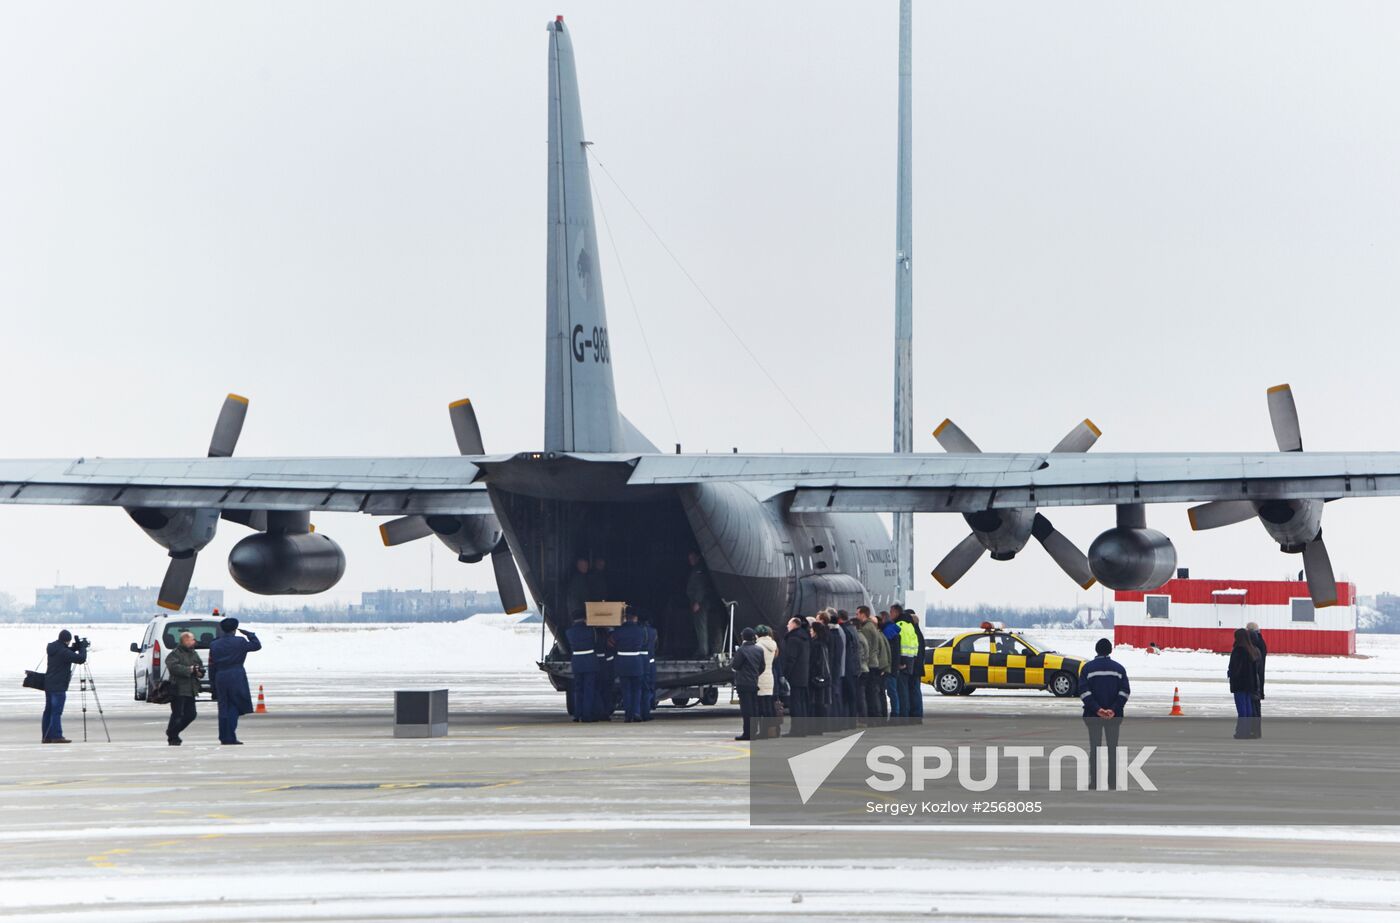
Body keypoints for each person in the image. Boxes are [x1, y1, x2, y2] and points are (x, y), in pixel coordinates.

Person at [1080, 637, 1130, 790]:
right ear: (1110, 651)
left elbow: (1083, 691)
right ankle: (1112, 783)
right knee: (1112, 750)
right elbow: (1125, 692)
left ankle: (1094, 782)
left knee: (1094, 749)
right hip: (1114, 717)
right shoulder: (1119, 669)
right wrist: (1113, 709)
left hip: (1093, 716)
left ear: (1096, 650)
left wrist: (1097, 709)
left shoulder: (1087, 669)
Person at [208, 617, 262, 745]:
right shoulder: (240, 641)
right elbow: (256, 646)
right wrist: (250, 634)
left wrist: (212, 683)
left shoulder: (214, 644)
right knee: (234, 706)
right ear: (234, 629)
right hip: (236, 675)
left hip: (220, 676)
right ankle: (230, 737)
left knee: (223, 707)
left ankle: (223, 736)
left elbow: (211, 665)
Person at [42, 630, 88, 744]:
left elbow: (65, 652)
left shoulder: (54, 648)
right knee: (56, 712)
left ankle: (46, 737)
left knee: (48, 711)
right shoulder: (63, 651)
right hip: (58, 686)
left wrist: (74, 648)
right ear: (67, 640)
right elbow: (81, 659)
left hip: (49, 684)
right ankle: (57, 736)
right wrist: (82, 648)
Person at [165, 631, 205, 745]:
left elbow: (200, 666)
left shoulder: (194, 653)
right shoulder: (175, 653)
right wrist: (189, 670)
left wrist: (199, 672)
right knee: (177, 714)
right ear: (186, 640)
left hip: (191, 688)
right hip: (178, 688)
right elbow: (172, 666)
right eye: (192, 639)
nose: (194, 641)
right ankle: (173, 737)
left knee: (191, 714)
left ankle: (172, 732)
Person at [610, 608, 649, 722]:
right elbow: (645, 643)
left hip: (622, 662)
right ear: (635, 618)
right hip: (636, 662)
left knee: (626, 690)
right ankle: (636, 712)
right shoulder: (641, 630)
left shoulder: (618, 630)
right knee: (637, 690)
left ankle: (628, 715)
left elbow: (612, 643)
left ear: (625, 617)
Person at [731, 628, 765, 741]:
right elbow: (762, 667)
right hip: (753, 682)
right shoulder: (759, 650)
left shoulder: (741, 650)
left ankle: (747, 733)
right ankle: (754, 731)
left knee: (746, 710)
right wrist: (755, 674)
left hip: (743, 682)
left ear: (743, 637)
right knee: (754, 708)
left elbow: (735, 665)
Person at [1228, 627, 1262, 739]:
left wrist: (1231, 675)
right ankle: (1247, 731)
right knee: (1248, 708)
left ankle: (1242, 732)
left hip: (1240, 684)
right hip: (1250, 684)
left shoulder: (1239, 650)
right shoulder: (1251, 650)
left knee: (1242, 709)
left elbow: (1236, 668)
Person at [685, 550, 720, 657]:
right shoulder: (703, 568)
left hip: (702, 603)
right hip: (708, 602)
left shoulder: (699, 570)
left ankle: (703, 650)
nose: (690, 561)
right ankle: (716, 650)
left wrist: (697, 601)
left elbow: (701, 586)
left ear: (698, 557)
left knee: (701, 626)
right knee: (712, 626)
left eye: (692, 558)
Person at [565, 616, 600, 722]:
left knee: (578, 689)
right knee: (588, 690)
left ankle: (577, 714)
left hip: (577, 662)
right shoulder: (592, 630)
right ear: (585, 619)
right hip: (589, 661)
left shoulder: (569, 632)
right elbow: (596, 643)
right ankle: (586, 715)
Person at [781, 617, 812, 735]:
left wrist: (785, 674)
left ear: (794, 624)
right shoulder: (805, 638)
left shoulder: (793, 639)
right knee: (802, 703)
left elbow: (791, 659)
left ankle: (796, 730)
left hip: (795, 676)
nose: (787, 626)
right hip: (803, 675)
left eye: (789, 624)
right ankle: (802, 728)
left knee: (795, 704)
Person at [857, 607, 888, 719]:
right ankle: (878, 715)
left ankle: (874, 715)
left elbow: (866, 648)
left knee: (870, 693)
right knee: (875, 692)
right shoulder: (874, 628)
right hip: (875, 663)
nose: (857, 616)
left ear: (863, 614)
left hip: (870, 664)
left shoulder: (866, 629)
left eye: (858, 614)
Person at [838, 611, 864, 727]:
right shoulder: (853, 630)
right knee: (852, 696)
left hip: (848, 667)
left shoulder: (845, 631)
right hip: (854, 667)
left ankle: (847, 721)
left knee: (846, 696)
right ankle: (852, 721)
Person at [755, 625, 779, 738]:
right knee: (769, 706)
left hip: (760, 678)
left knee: (761, 707)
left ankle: (763, 732)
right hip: (770, 677)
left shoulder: (758, 646)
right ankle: (772, 731)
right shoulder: (773, 646)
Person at [809, 618, 833, 730]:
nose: (810, 632)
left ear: (815, 631)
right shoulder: (824, 643)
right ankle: (822, 726)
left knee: (815, 702)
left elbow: (815, 661)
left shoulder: (815, 645)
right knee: (821, 701)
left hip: (816, 675)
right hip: (824, 676)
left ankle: (815, 727)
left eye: (811, 630)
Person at [882, 611, 906, 718]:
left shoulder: (887, 632)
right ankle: (896, 712)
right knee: (894, 691)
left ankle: (895, 713)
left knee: (891, 691)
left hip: (890, 666)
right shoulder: (895, 631)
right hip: (895, 665)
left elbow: (887, 651)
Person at [906, 610, 927, 722]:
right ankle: (917, 714)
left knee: (913, 691)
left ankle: (915, 714)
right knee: (916, 690)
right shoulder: (919, 633)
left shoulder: (913, 633)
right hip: (918, 666)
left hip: (914, 666)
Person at [1247, 621, 1267, 718]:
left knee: (1253, 704)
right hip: (1260, 675)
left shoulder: (1254, 644)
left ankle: (1253, 727)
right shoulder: (1261, 642)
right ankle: (1256, 728)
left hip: (1255, 677)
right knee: (1257, 704)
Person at [641, 619, 659, 721]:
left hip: (639, 661)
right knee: (648, 688)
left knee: (638, 689)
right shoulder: (653, 632)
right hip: (650, 662)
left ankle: (637, 712)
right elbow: (656, 646)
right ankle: (646, 711)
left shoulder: (639, 631)